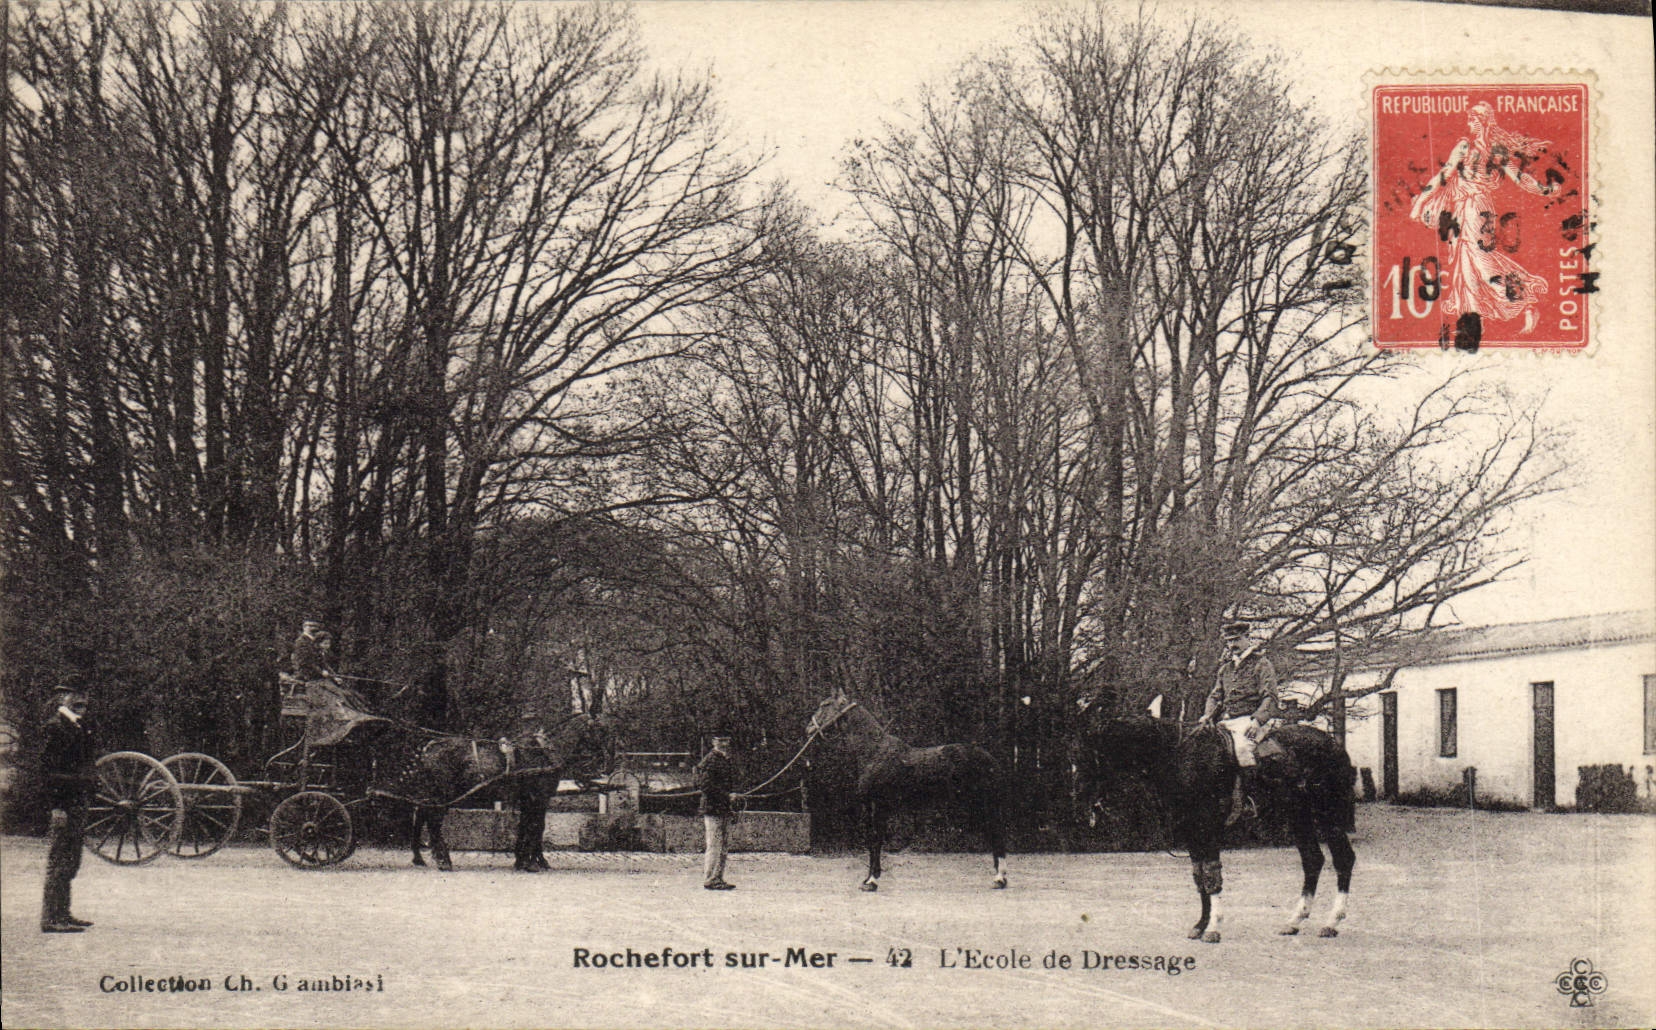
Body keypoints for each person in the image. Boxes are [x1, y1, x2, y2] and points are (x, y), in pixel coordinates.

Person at [1408, 101, 1556, 347]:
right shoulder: (1478, 148)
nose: (1469, 124)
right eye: (1469, 120)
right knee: (1467, 264)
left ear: (1483, 122)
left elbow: (1517, 177)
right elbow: (1444, 176)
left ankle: (1525, 299)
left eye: (1474, 120)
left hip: (1475, 208)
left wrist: (1543, 190)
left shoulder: (1480, 148)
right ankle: (1472, 325)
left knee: (1480, 261)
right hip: (1470, 208)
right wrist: (1419, 203)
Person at [1200, 620, 1282, 822]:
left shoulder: (1261, 664)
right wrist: (1207, 714)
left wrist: (1257, 721)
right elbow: (1215, 696)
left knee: (1243, 748)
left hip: (1250, 719)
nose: (1232, 645)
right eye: (1229, 641)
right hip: (1227, 721)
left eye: (1237, 640)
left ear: (1247, 638)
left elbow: (1270, 697)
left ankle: (1250, 800)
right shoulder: (1226, 669)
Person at [39, 686, 97, 932]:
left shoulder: (79, 726)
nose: (80, 700)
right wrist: (57, 807)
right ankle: (51, 918)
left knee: (72, 860)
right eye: (74, 695)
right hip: (65, 803)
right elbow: (48, 772)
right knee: (60, 859)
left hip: (77, 801)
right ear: (63, 698)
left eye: (83, 696)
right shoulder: (55, 727)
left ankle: (63, 913)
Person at [696, 733, 737, 890]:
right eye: (721, 740)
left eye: (726, 739)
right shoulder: (710, 760)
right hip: (713, 808)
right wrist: (727, 796)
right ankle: (710, 878)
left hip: (723, 808)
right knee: (714, 845)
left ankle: (718, 877)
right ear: (714, 742)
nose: (724, 743)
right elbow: (706, 786)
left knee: (724, 845)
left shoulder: (725, 759)